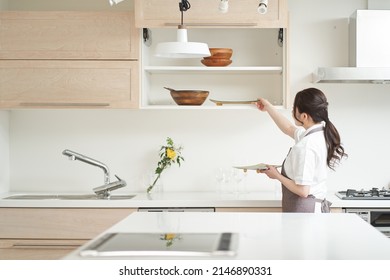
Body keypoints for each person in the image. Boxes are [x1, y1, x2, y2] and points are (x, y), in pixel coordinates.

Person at [254, 88, 347, 213]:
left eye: (294, 109)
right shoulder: (319, 134)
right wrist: (269, 107)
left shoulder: (306, 145)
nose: (292, 112)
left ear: (304, 116)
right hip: (314, 208)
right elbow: (288, 128)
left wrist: (276, 175)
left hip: (306, 211)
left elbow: (303, 191)